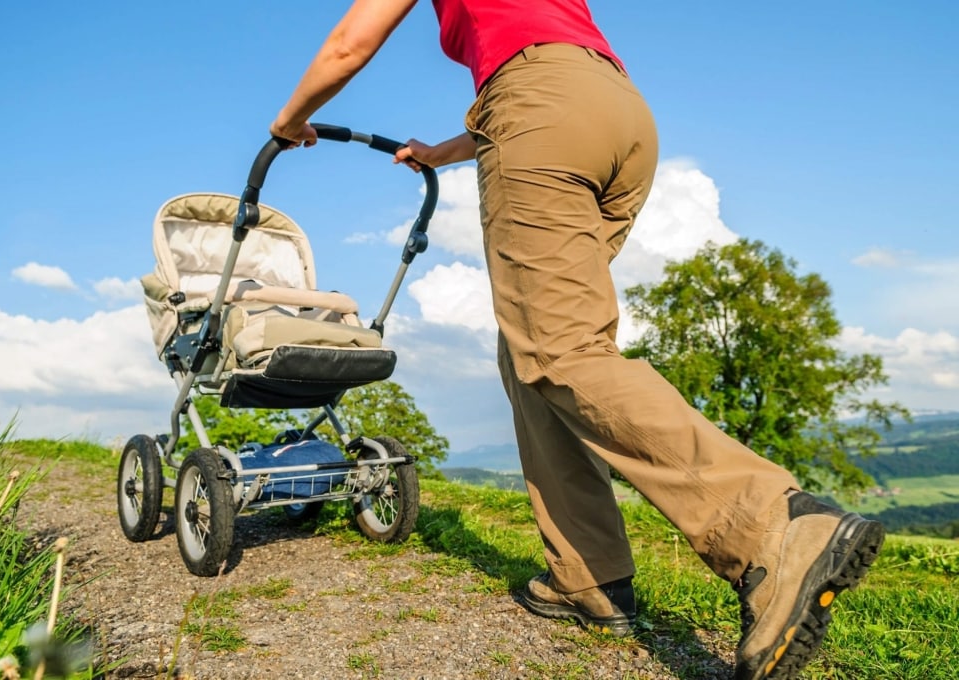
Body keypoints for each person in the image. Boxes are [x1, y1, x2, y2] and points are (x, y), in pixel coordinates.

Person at [270, 2, 885, 678]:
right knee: (534, 348)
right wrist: (446, 151)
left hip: (540, 108)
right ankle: (590, 575)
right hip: (616, 112)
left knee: (560, 348)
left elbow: (350, 44)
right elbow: (551, 64)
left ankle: (775, 526)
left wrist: (289, 120)